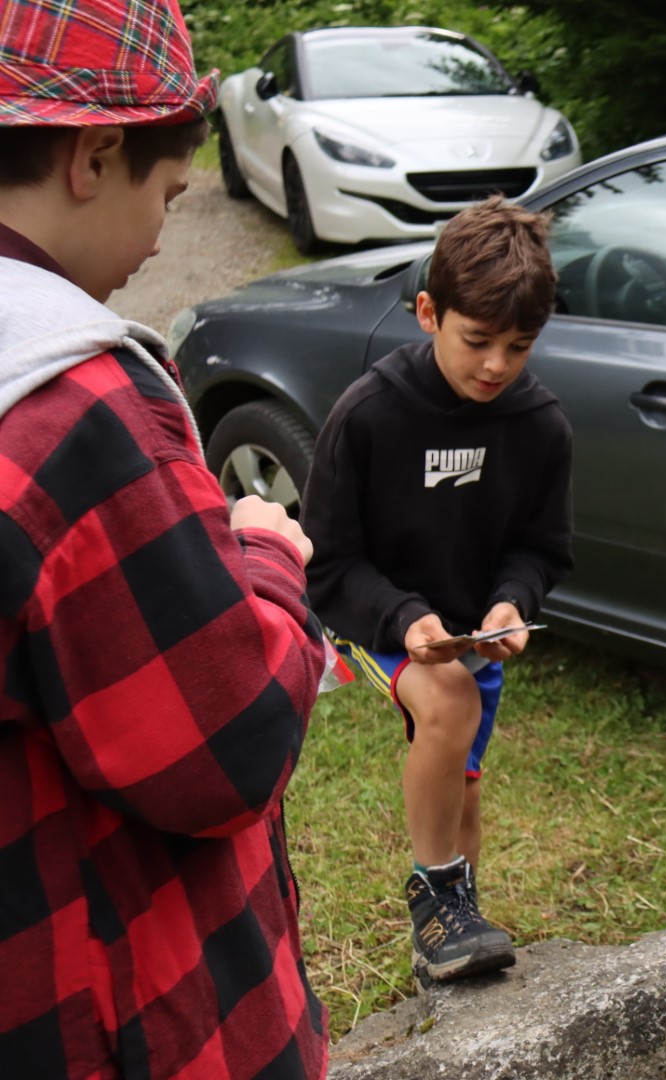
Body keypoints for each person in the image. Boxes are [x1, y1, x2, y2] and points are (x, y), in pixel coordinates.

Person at [0, 2, 330, 1077]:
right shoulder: (73, 413)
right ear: (94, 156)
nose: (158, 241)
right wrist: (266, 553)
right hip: (117, 1020)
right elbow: (225, 746)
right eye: (169, 197)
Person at [301, 196, 572, 986]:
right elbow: (328, 561)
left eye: (519, 346)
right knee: (448, 701)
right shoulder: (369, 415)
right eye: (477, 341)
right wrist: (404, 616)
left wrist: (512, 600)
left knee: (463, 792)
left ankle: (451, 933)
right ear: (429, 313)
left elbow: (541, 548)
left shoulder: (540, 426)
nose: (496, 366)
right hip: (373, 615)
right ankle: (435, 899)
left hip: (467, 633)